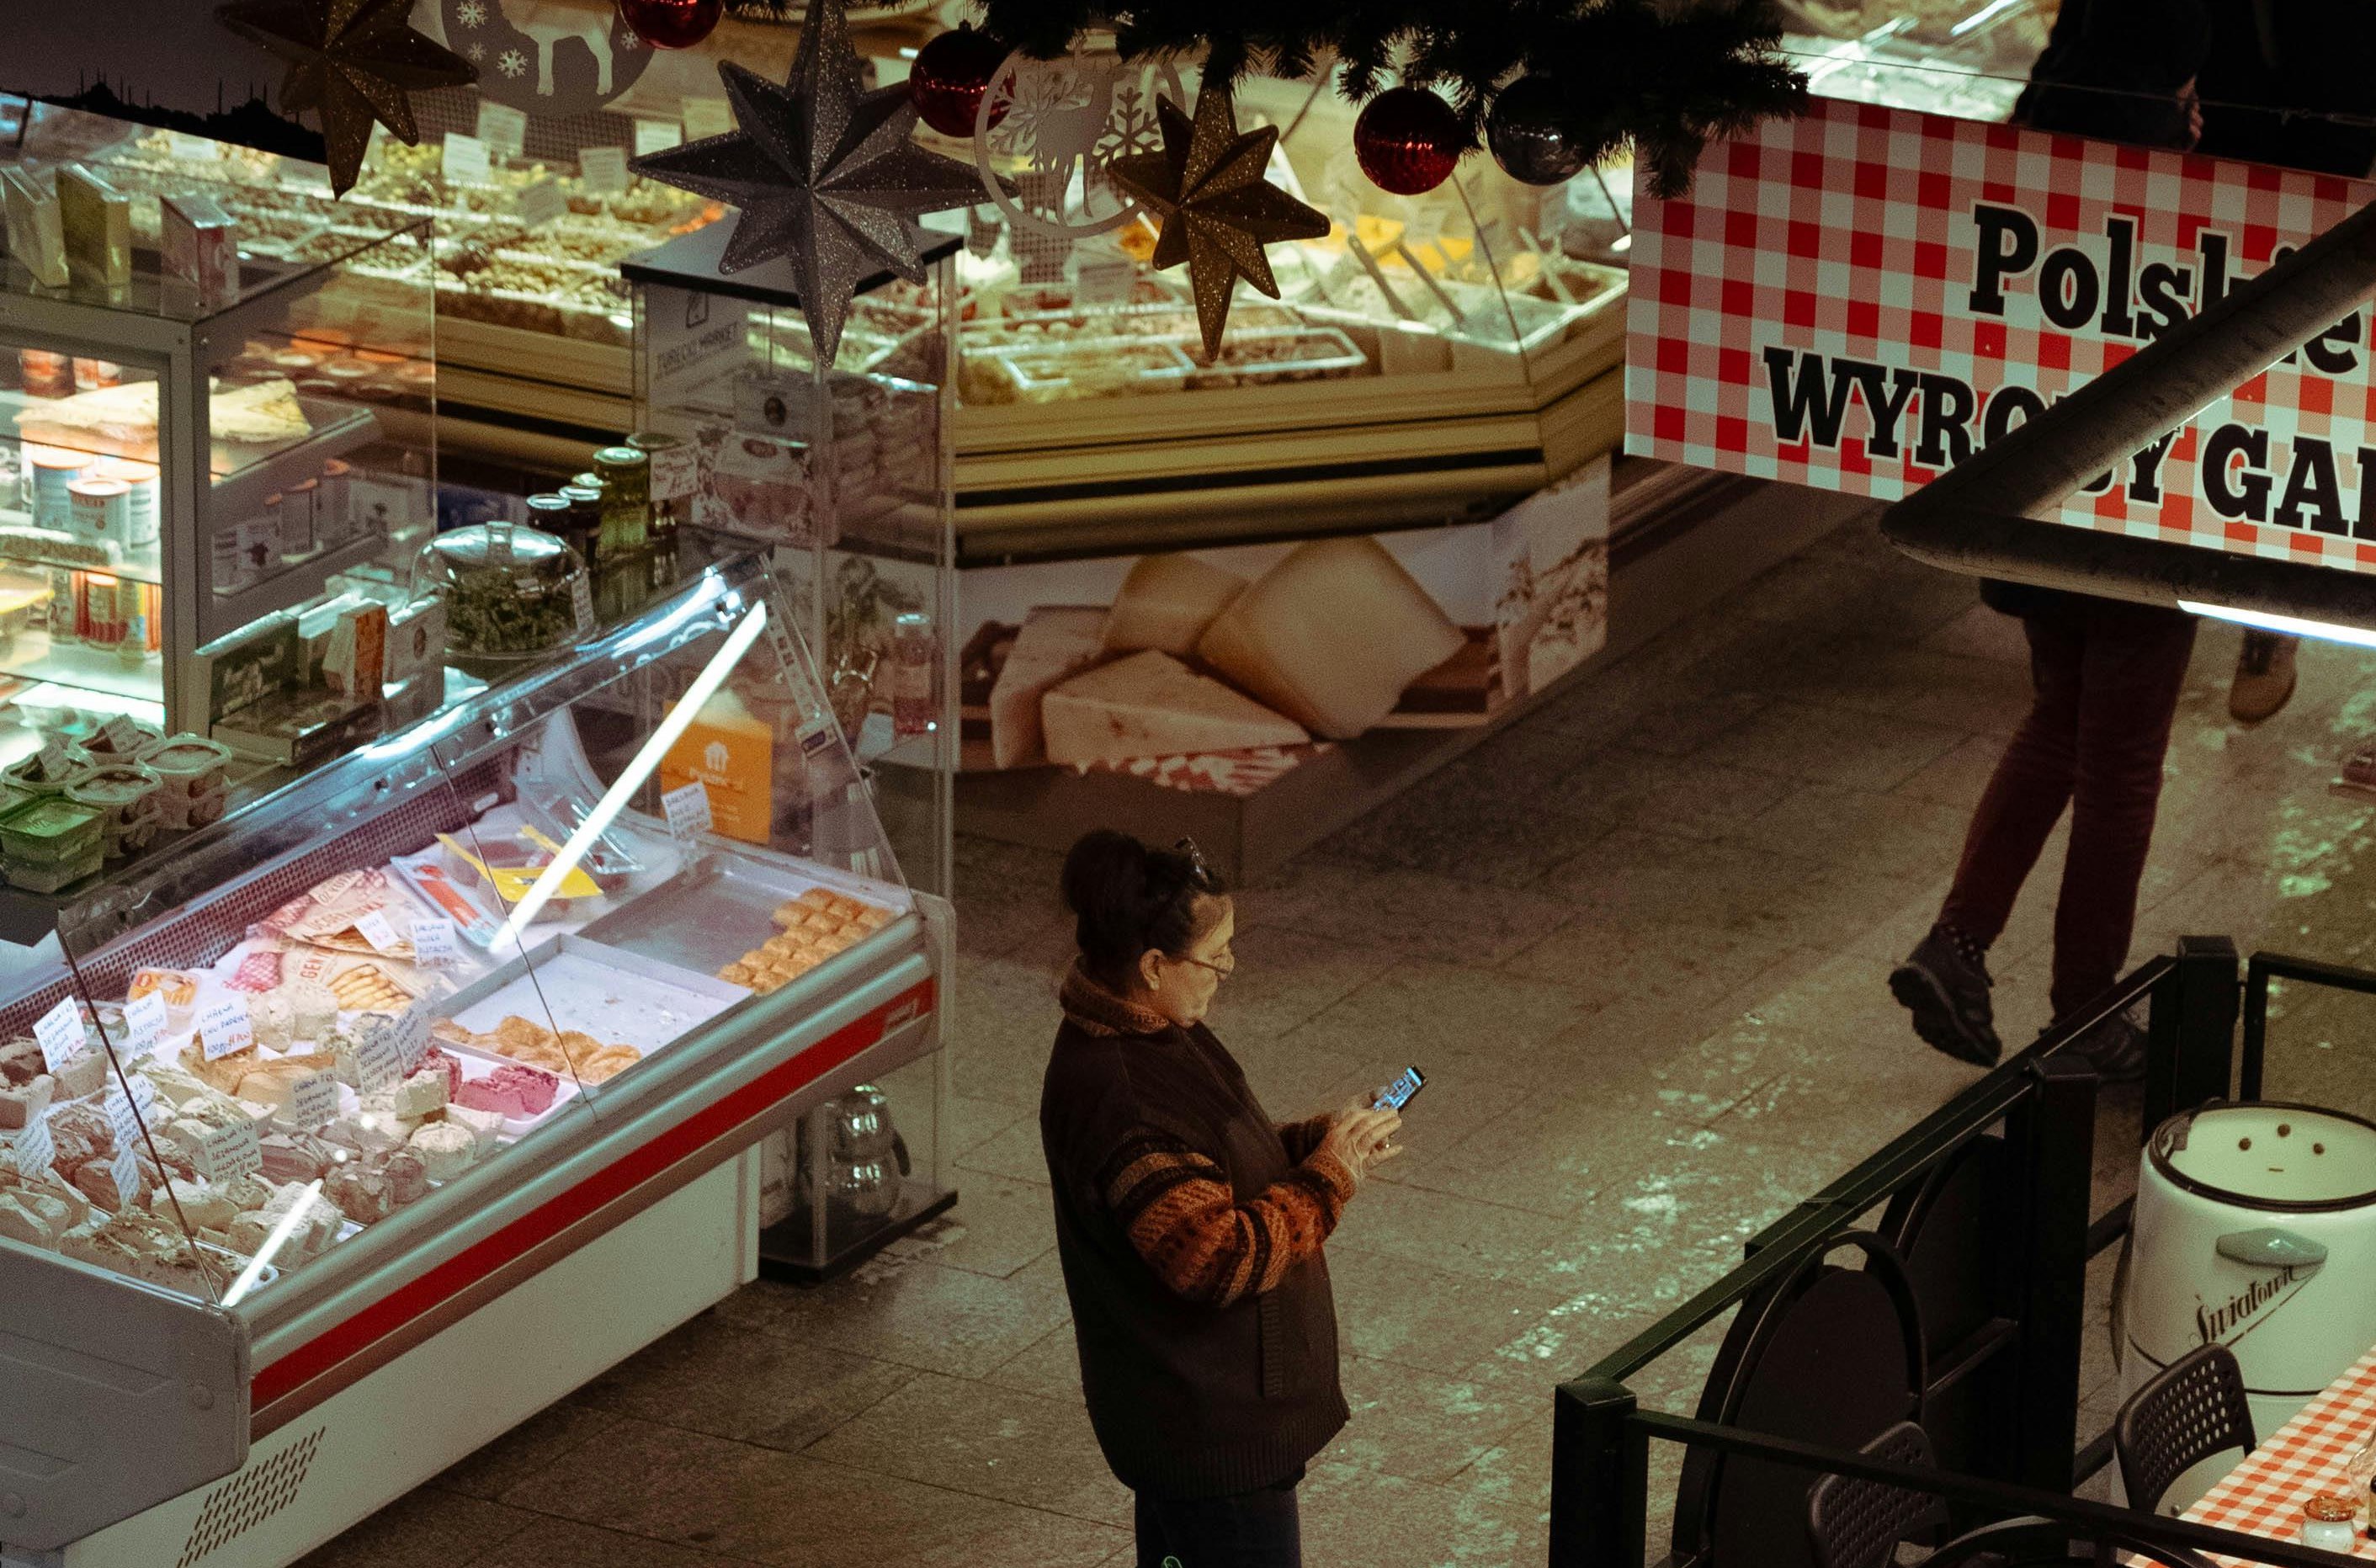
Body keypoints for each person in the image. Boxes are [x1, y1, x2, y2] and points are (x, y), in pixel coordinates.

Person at [1891, 0, 2211, 1082]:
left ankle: (1959, 943)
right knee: (2121, 762)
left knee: (2060, 717)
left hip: (2027, 479)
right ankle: (2084, 1014)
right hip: (2135, 498)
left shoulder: (2051, 112)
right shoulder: (2159, 151)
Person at [1040, 830, 1402, 1568]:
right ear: (1150, 965)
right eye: (1214, 956)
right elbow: (1216, 1255)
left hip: (1209, 1417)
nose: (1227, 969)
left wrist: (1312, 1140)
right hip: (1207, 1434)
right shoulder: (1124, 1097)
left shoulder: (1156, 1030)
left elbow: (1205, 1166)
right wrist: (1330, 1176)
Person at [2192, 0, 2376, 722]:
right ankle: (2267, 608)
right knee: (2270, 408)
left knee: (2296, 405)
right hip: (2254, 182)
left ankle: (2269, 612)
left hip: (2297, 184)